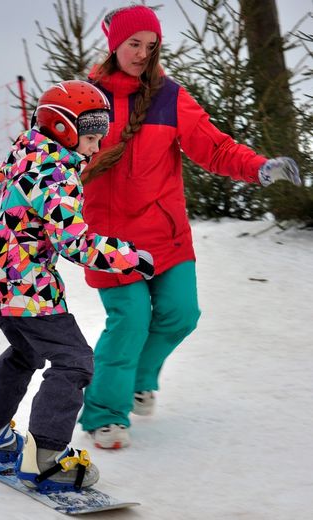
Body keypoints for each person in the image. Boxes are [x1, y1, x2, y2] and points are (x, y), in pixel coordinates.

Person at [78, 5, 301, 449]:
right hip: (109, 239)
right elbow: (51, 147)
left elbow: (214, 147)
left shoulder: (169, 96)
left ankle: (139, 378)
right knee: (130, 321)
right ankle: (105, 412)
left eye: (150, 45)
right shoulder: (87, 100)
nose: (142, 53)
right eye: (133, 44)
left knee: (181, 314)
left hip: (166, 235)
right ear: (115, 45)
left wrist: (259, 169)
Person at [0, 79, 155, 491]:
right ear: (63, 130)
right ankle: (46, 457)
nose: (96, 146)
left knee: (25, 351)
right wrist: (131, 258)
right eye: (89, 137)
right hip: (29, 283)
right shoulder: (56, 174)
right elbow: (75, 241)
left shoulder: (26, 152)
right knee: (75, 361)